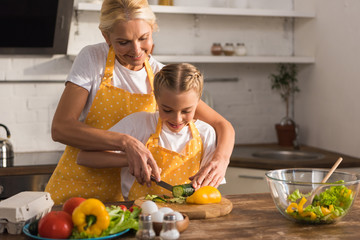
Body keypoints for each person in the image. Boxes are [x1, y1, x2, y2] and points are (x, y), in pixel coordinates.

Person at [45, 0, 234, 204]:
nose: (136, 51)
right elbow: (61, 128)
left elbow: (222, 125)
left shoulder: (162, 78)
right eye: (123, 42)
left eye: (144, 38)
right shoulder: (93, 58)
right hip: (78, 188)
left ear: (152, 30)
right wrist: (125, 143)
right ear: (106, 37)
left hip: (128, 199)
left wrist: (220, 160)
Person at [77, 63, 225, 200]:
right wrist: (129, 160)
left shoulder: (206, 133)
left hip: (190, 213)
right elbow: (84, 157)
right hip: (139, 212)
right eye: (167, 110)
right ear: (156, 99)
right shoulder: (138, 123)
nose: (177, 119)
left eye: (186, 111)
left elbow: (209, 184)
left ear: (198, 102)